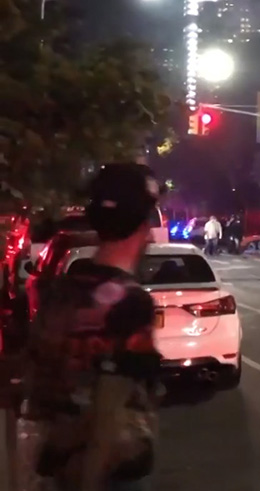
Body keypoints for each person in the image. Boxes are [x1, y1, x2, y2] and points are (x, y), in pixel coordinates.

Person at [19, 163, 161, 491]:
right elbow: (107, 421)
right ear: (142, 224)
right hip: (108, 476)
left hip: (57, 465)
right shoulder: (131, 303)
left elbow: (35, 385)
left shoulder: (61, 291)